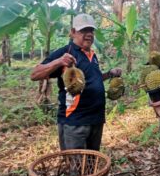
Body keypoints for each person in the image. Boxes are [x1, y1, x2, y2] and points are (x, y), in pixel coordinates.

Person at [30, 13, 122, 151]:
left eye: (91, 30)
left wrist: (109, 74)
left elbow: (92, 80)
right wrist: (59, 61)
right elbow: (34, 74)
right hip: (75, 122)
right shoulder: (65, 53)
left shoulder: (93, 55)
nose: (89, 34)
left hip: (96, 119)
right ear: (73, 32)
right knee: (76, 167)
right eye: (84, 30)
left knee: (91, 163)